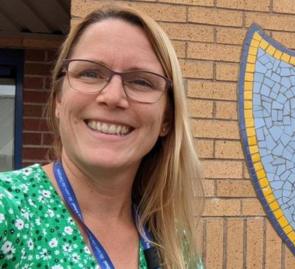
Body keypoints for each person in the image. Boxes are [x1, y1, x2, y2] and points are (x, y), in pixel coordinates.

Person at [0, 5, 203, 269]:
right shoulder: (9, 211)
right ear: (58, 100)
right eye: (90, 73)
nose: (113, 97)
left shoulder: (172, 241)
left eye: (141, 81)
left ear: (166, 118)